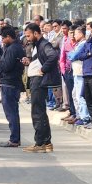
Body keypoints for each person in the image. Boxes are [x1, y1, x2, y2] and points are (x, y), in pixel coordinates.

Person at [21, 23, 61, 153]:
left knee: (37, 112)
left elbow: (53, 56)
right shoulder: (37, 45)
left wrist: (43, 69)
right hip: (36, 80)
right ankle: (46, 142)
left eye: (28, 35)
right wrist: (30, 62)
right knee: (40, 112)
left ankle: (40, 143)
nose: (27, 38)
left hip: (39, 81)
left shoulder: (44, 44)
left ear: (36, 33)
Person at [0, 26, 25, 148]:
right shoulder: (13, 47)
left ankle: (14, 139)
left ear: (8, 37)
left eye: (3, 38)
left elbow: (7, 66)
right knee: (13, 112)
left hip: (10, 83)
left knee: (11, 112)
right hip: (11, 83)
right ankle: (15, 138)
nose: (2, 40)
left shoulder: (13, 49)